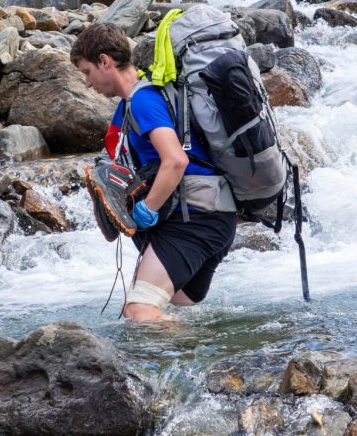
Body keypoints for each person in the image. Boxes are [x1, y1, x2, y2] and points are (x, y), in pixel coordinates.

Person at [71, 22, 237, 323]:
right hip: (210, 216)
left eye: (87, 72)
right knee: (172, 306)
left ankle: (221, 363)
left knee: (139, 310)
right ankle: (208, 360)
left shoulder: (143, 101)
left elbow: (175, 160)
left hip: (196, 219)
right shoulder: (137, 100)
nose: (87, 83)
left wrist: (148, 208)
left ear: (105, 61)